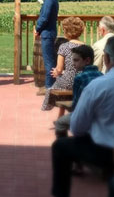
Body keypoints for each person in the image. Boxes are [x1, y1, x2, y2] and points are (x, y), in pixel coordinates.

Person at [51, 36, 114, 197]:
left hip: (105, 150)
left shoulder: (97, 86)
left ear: (107, 58)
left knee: (61, 146)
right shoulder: (98, 78)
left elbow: (77, 127)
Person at [54, 45, 102, 138]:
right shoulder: (101, 75)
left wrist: (67, 107)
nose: (73, 63)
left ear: (87, 60)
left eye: (76, 60)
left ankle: (64, 146)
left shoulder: (79, 78)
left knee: (60, 123)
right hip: (100, 114)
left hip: (86, 116)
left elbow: (76, 106)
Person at [41, 17, 85, 111]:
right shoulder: (85, 47)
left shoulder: (64, 46)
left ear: (66, 32)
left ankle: (47, 106)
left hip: (68, 82)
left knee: (51, 90)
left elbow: (59, 69)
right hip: (82, 81)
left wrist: (56, 72)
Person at [34, 0, 59, 91]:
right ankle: (51, 85)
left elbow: (44, 18)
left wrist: (37, 29)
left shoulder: (50, 0)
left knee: (49, 61)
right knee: (50, 60)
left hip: (47, 33)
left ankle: (49, 87)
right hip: (49, 32)